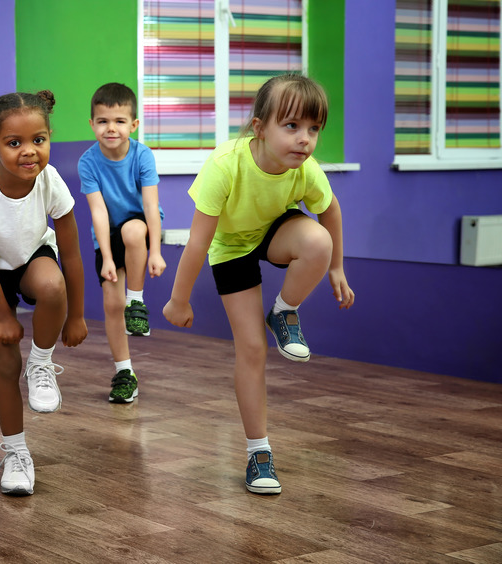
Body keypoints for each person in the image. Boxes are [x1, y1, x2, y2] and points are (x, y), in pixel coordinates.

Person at [162, 74, 354, 495]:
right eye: (291, 126)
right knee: (252, 350)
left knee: (317, 242)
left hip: (272, 230)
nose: (305, 139)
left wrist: (336, 267)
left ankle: (283, 310)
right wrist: (179, 299)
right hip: (230, 248)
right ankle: (258, 453)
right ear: (259, 127)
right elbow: (198, 241)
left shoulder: (305, 171)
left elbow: (332, 214)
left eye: (313, 129)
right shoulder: (224, 166)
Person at [0, 91, 88, 496]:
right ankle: (16, 453)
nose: (29, 152)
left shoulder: (51, 181)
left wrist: (77, 315)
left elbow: (71, 253)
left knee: (51, 284)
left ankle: (42, 364)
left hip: (31, 256)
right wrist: (6, 317)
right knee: (5, 363)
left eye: (39, 140)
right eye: (15, 143)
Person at [78, 83, 165, 403]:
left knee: (132, 231)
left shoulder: (142, 155)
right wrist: (107, 258)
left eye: (119, 121)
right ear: (92, 124)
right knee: (110, 305)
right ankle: (125, 371)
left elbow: (151, 207)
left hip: (139, 227)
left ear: (134, 125)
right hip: (107, 233)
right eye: (102, 121)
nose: (110, 128)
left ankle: (137, 300)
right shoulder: (88, 162)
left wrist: (155, 250)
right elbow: (98, 212)